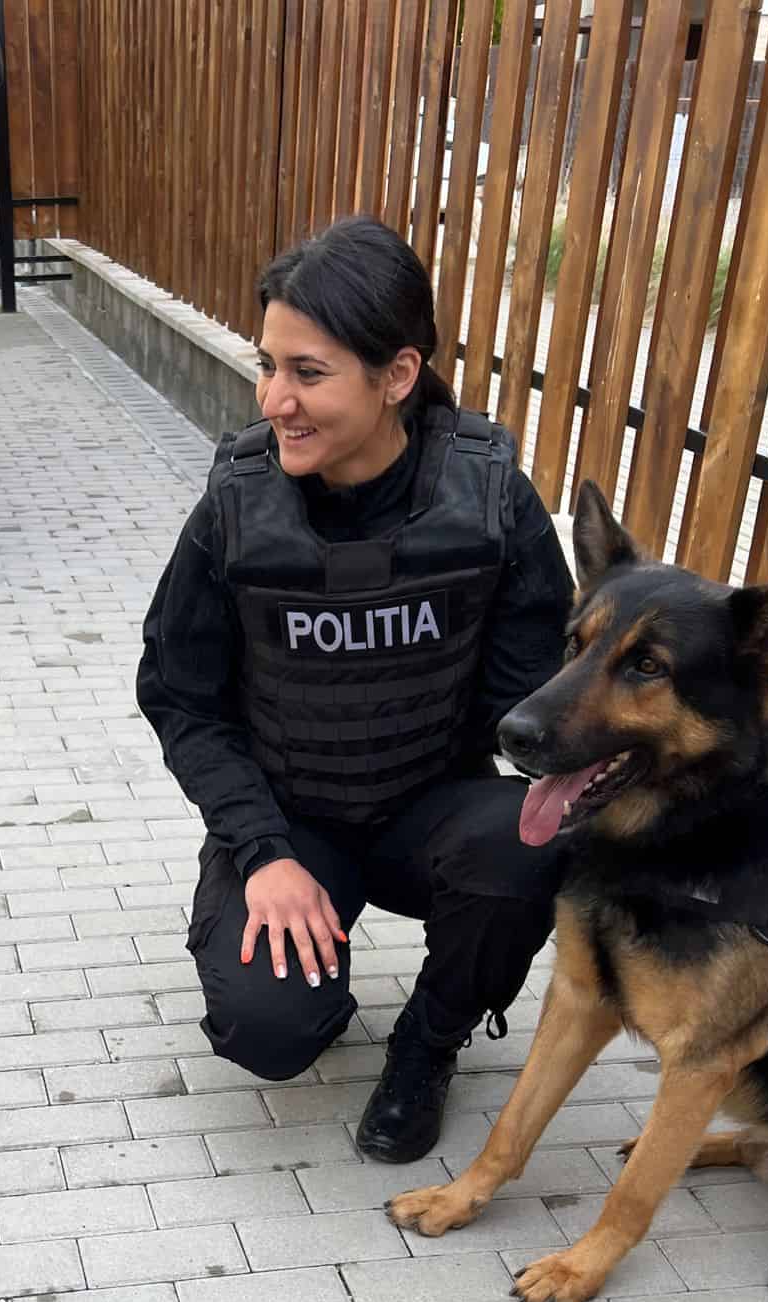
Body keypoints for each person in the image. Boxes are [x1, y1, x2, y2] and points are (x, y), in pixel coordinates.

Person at [137, 215, 576, 1162]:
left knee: (530, 844)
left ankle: (431, 1039)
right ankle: (306, 970)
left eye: (308, 372)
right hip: (295, 821)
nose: (275, 399)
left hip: (431, 809)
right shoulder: (237, 503)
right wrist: (260, 853)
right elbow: (181, 698)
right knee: (268, 1029)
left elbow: (535, 702)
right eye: (269, 366)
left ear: (399, 375)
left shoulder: (489, 496)